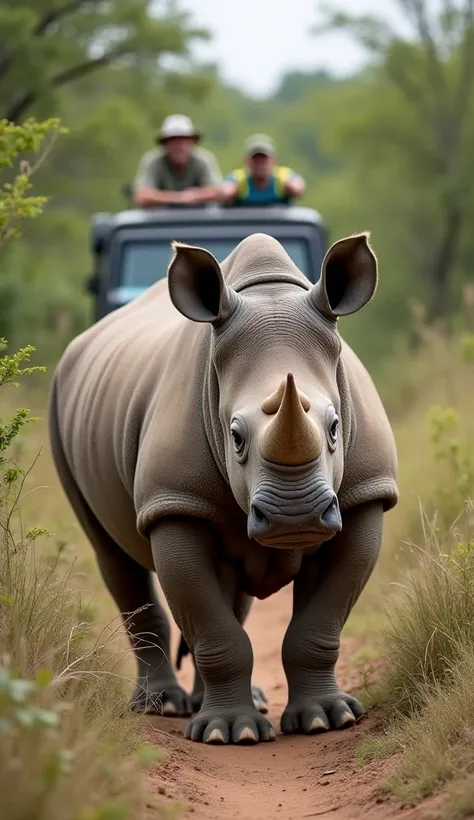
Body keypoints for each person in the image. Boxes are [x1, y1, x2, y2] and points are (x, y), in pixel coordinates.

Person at [133, 114, 222, 208]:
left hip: (199, 219)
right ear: (165, 144)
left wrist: (161, 197)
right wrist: (181, 198)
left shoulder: (203, 160)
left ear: (192, 143)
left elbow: (218, 192)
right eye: (174, 141)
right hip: (161, 220)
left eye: (185, 140)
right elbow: (142, 197)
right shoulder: (153, 162)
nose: (180, 147)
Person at [220, 134, 306, 207]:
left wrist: (291, 187)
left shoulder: (283, 176)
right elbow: (224, 192)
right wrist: (229, 193)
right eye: (255, 159)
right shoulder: (238, 179)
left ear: (274, 160)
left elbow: (299, 189)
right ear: (246, 161)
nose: (260, 164)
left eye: (264, 159)